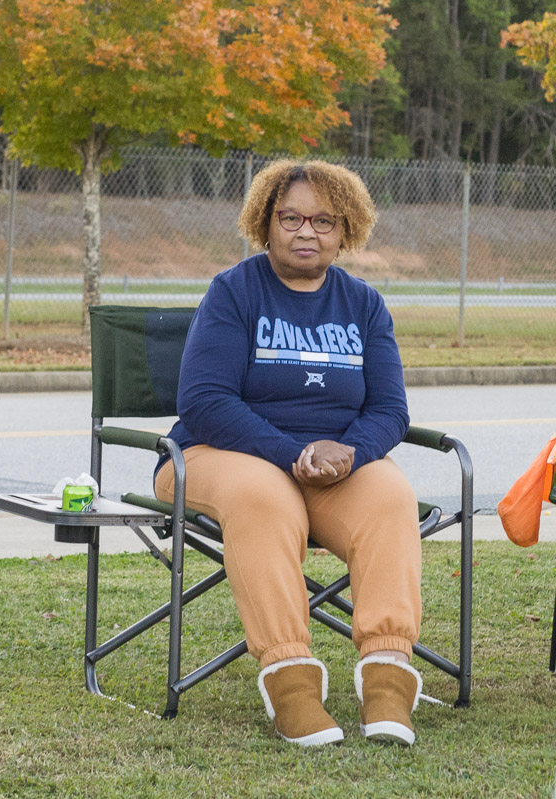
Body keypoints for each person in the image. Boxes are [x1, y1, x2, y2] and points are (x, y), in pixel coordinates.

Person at [154, 159, 423, 747]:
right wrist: (290, 452)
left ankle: (387, 678)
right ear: (265, 223)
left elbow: (389, 409)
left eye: (324, 221)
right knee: (264, 495)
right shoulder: (234, 291)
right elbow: (202, 400)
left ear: (346, 229)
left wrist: (351, 455)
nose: (307, 232)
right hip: (217, 454)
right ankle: (292, 684)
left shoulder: (364, 304)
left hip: (329, 468)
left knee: (390, 494)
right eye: (292, 218)